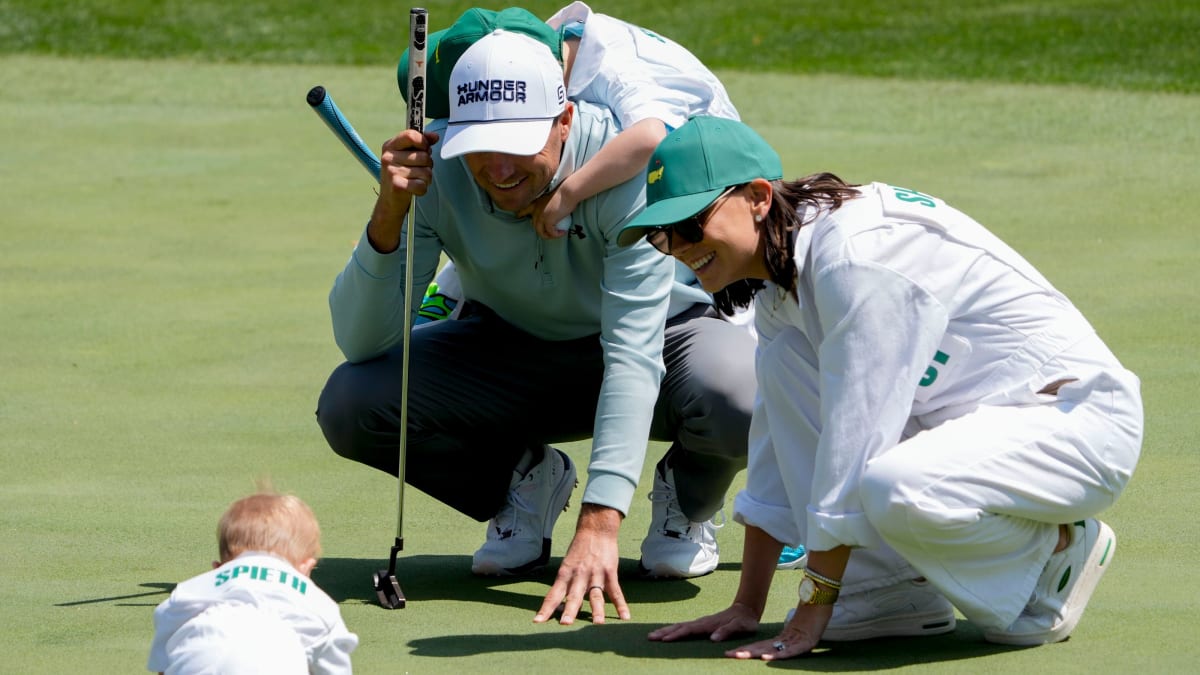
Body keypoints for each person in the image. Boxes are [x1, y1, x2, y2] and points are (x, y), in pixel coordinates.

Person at [617, 116, 1143, 658]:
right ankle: (884, 591)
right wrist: (747, 605)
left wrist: (813, 605)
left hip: (1074, 424)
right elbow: (779, 443)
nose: (677, 246)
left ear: (757, 197)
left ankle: (1057, 551)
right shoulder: (780, 285)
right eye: (662, 234)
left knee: (899, 486)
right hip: (977, 424)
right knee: (791, 385)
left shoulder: (854, 259)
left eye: (691, 224)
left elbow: (854, 443)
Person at [316, 30, 757, 626]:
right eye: (479, 147)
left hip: (665, 347)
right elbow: (364, 341)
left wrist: (601, 520)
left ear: (564, 119)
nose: (497, 169)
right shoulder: (440, 172)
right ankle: (524, 480)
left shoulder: (623, 172)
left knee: (740, 394)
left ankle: (687, 496)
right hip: (509, 352)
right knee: (353, 401)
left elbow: (632, 355)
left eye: (518, 144)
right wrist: (389, 215)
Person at [147, 490, 358, 673]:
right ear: (307, 567)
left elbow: (166, 626)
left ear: (218, 568)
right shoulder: (317, 603)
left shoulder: (193, 589)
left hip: (199, 656)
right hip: (272, 662)